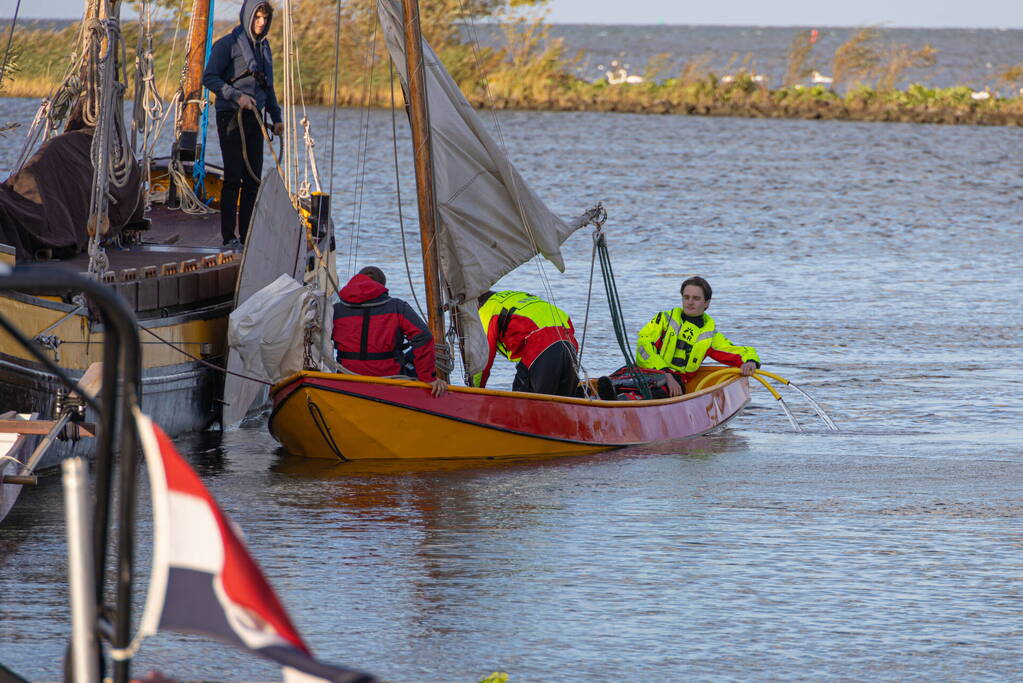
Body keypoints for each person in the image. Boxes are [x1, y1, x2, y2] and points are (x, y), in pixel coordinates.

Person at [202, 0, 284, 249]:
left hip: (255, 118)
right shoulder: (227, 45)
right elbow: (209, 78)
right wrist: (237, 95)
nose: (261, 23)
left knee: (253, 179)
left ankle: (247, 238)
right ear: (248, 17)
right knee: (233, 177)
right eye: (257, 18)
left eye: (265, 19)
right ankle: (229, 237)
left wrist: (277, 117)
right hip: (231, 116)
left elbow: (267, 86)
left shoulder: (263, 48)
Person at [628, 275, 759, 398]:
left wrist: (751, 361)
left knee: (654, 393)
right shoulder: (663, 319)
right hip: (647, 372)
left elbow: (738, 352)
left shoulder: (709, 336)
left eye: (696, 298)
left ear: (706, 303)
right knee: (615, 383)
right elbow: (643, 347)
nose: (690, 302)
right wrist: (665, 373)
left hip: (673, 385)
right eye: (686, 297)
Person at [332, 266, 447, 397]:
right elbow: (423, 337)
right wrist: (429, 378)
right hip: (389, 374)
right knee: (415, 354)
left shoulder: (336, 310)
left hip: (347, 375)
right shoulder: (397, 307)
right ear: (381, 287)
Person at [473, 290, 583, 397]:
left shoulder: (486, 311)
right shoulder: (513, 297)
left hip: (540, 347)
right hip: (569, 346)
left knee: (522, 403)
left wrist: (474, 392)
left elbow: (483, 358)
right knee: (565, 405)